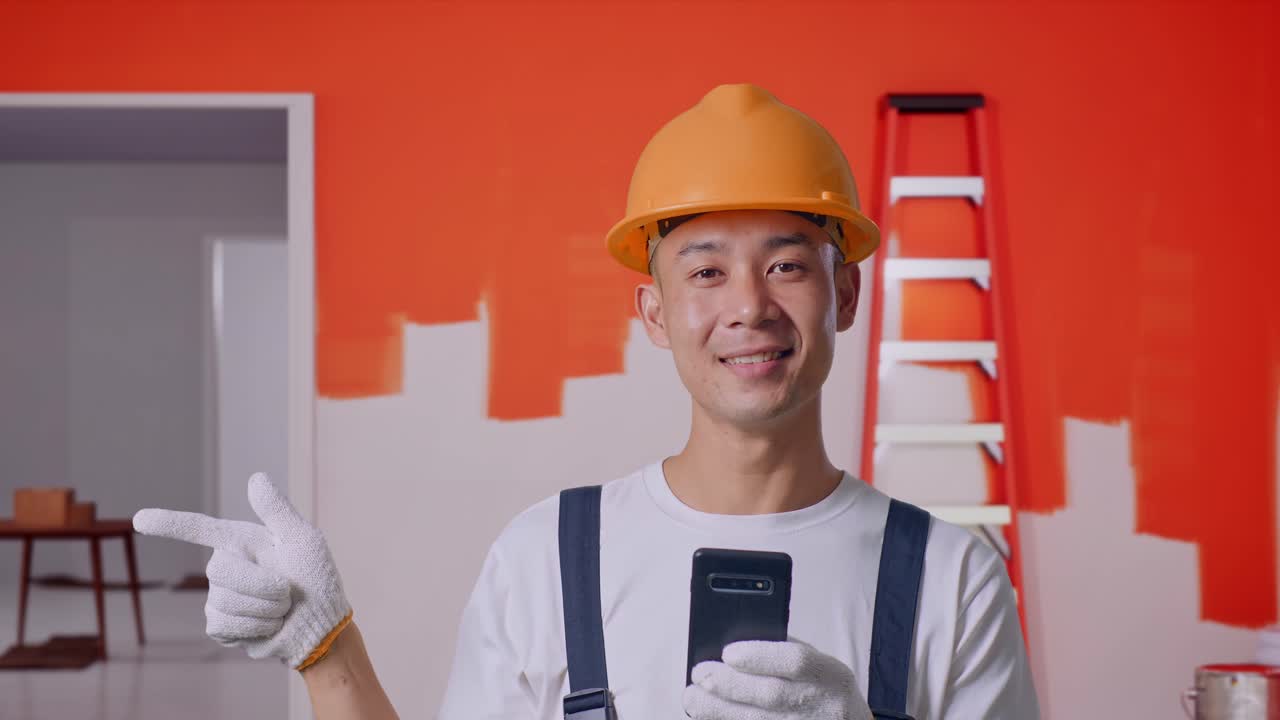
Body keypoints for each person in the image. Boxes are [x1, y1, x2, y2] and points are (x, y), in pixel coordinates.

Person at [134, 83, 1040, 720]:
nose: (750, 307)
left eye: (788, 263)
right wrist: (327, 655)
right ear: (654, 313)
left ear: (843, 297)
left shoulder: (953, 578)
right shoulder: (546, 557)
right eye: (707, 270)